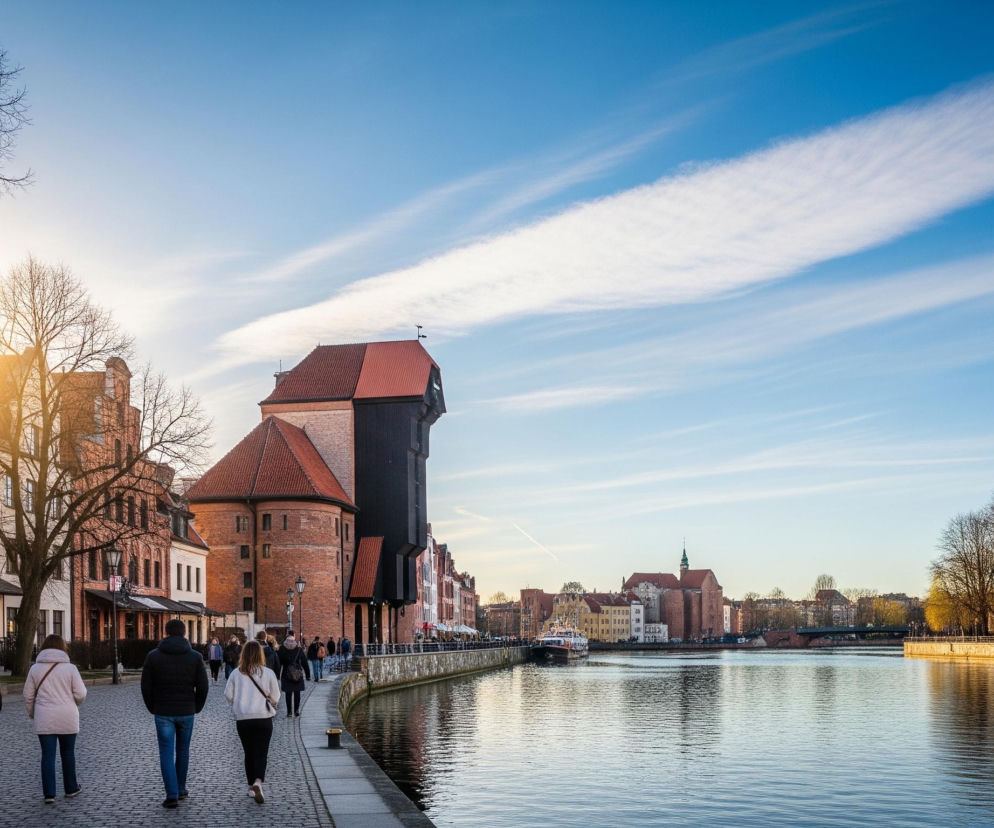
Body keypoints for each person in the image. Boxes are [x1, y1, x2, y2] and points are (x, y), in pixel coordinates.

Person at [141, 618, 209, 808]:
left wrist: (151, 706)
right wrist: (197, 706)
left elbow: (146, 686)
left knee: (165, 752)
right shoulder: (195, 657)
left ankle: (171, 794)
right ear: (184, 633)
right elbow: (203, 686)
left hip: (163, 711)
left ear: (166, 632)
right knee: (183, 751)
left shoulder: (153, 656)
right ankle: (180, 788)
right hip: (187, 710)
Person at [23, 634, 86, 804]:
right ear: (62, 648)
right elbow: (81, 693)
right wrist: (74, 703)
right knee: (68, 753)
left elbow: (28, 696)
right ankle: (71, 788)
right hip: (67, 716)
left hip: (44, 717)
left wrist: (32, 713)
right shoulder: (71, 668)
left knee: (47, 755)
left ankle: (49, 794)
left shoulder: (34, 669)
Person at [224, 640, 280, 804]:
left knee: (248, 753)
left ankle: (250, 787)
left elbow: (228, 695)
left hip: (243, 718)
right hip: (263, 717)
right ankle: (258, 781)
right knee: (261, 752)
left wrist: (239, 702)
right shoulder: (268, 673)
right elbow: (276, 696)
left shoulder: (236, 673)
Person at [277, 635, 309, 717]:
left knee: (288, 694)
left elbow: (278, 663)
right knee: (297, 693)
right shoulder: (299, 650)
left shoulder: (282, 650)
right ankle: (296, 710)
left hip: (286, 674)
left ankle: (289, 712)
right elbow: (305, 662)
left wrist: (277, 674)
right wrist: (307, 674)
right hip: (297, 674)